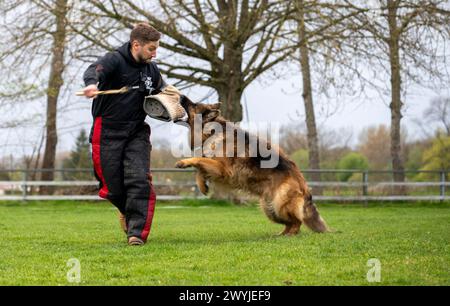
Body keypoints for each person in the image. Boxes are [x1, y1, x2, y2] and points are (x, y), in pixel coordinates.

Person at [81, 23, 167, 246]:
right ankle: (126, 211)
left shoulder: (152, 70)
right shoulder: (114, 60)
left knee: (139, 180)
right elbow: (94, 70)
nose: (154, 53)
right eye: (151, 48)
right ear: (136, 44)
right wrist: (91, 85)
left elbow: (164, 92)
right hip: (107, 131)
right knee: (111, 187)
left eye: (156, 48)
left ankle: (136, 234)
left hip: (137, 131)